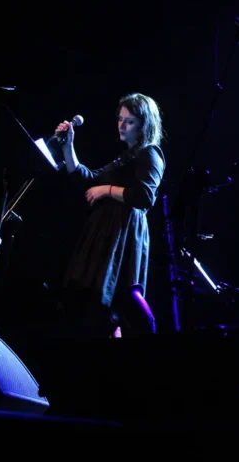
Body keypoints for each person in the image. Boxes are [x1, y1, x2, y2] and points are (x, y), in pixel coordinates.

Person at [56, 93, 166, 338]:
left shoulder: (150, 153)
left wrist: (107, 190)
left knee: (108, 304)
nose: (121, 125)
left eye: (129, 121)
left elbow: (144, 197)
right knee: (91, 304)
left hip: (122, 234)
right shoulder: (126, 157)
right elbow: (88, 179)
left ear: (144, 124)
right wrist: (68, 146)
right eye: (120, 119)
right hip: (106, 232)